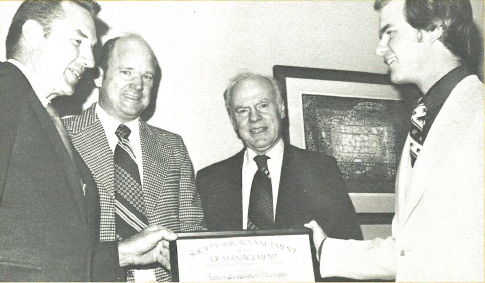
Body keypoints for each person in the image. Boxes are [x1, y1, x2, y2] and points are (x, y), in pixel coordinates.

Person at [305, 0, 484, 281]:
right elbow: (408, 252)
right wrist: (324, 249)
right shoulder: (422, 122)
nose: (380, 48)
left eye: (390, 33)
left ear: (434, 28)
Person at [0, 1, 177, 281]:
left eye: (91, 47)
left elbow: (48, 251)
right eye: (77, 41)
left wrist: (124, 253)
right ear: (33, 34)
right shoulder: (5, 90)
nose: (91, 61)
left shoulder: (41, 113)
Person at [63, 34, 206, 282]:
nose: (138, 85)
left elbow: (193, 231)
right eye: (126, 72)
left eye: (147, 76)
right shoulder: (64, 137)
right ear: (98, 76)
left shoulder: (173, 146)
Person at [196, 72, 362, 238]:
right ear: (233, 121)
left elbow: (348, 244)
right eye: (243, 110)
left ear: (281, 109)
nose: (254, 118)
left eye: (263, 105)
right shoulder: (210, 180)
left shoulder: (321, 169)